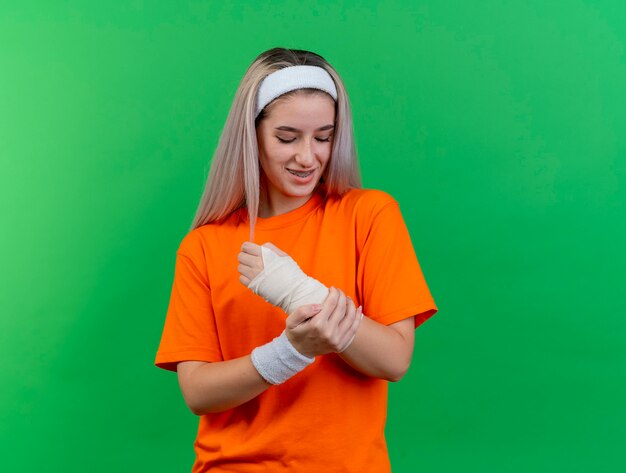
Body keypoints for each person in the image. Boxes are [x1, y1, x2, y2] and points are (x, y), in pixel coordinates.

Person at [155, 47, 437, 473]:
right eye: (287, 138)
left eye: (323, 137)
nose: (308, 157)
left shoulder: (369, 215)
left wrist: (300, 293)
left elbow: (394, 360)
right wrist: (290, 351)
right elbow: (198, 392)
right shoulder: (204, 246)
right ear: (251, 135)